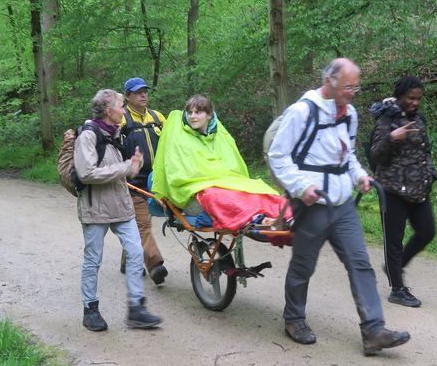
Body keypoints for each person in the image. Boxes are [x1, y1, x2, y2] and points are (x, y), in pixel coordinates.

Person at [267, 58, 410, 356]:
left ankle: (373, 330)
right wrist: (300, 187)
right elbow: (278, 156)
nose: (353, 93)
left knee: (360, 263)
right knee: (304, 265)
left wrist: (359, 176)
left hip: (343, 203)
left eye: (356, 87)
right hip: (312, 203)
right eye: (348, 87)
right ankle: (293, 318)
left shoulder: (351, 114)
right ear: (329, 81)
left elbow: (349, 156)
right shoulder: (302, 111)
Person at [74, 89, 162, 331]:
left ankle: (136, 308)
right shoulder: (88, 136)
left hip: (122, 206)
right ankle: (90, 309)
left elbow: (121, 171)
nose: (124, 111)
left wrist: (134, 167)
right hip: (96, 209)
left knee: (135, 254)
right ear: (107, 110)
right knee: (93, 260)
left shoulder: (115, 134)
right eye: (120, 106)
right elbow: (86, 173)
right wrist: (125, 168)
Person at [152, 94, 291, 230]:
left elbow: (233, 166)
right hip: (193, 193)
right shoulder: (180, 138)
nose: (192, 116)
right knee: (220, 195)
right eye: (190, 112)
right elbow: (179, 171)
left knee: (257, 189)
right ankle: (257, 219)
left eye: (198, 112)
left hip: (220, 185)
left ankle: (286, 215)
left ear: (209, 115)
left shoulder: (219, 136)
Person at [368, 75, 437, 307]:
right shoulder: (386, 120)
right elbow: (375, 155)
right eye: (411, 98)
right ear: (400, 96)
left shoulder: (419, 118)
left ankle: (393, 267)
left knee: (427, 231)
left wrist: (430, 172)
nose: (415, 103)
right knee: (393, 241)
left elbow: (425, 150)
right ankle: (397, 289)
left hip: (419, 188)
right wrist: (391, 138)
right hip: (392, 189)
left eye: (419, 99)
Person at [119, 77, 168, 286]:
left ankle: (128, 260)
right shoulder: (121, 120)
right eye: (138, 92)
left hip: (157, 181)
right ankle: (155, 264)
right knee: (142, 225)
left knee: (136, 225)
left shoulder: (158, 117)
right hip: (133, 182)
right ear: (127, 96)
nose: (143, 95)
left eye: (145, 91)